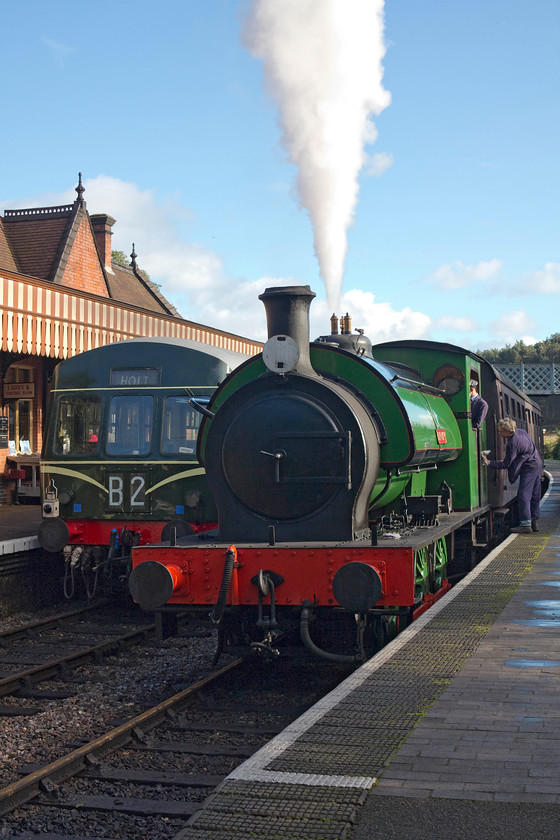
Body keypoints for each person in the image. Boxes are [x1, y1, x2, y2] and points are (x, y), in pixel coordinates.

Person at [481, 417, 543, 533]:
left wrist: (489, 463)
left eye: (501, 431)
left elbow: (507, 463)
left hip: (529, 467)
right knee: (535, 494)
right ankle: (534, 521)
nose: (499, 433)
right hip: (537, 463)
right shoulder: (522, 432)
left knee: (523, 494)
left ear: (508, 432)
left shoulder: (512, 443)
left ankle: (525, 524)